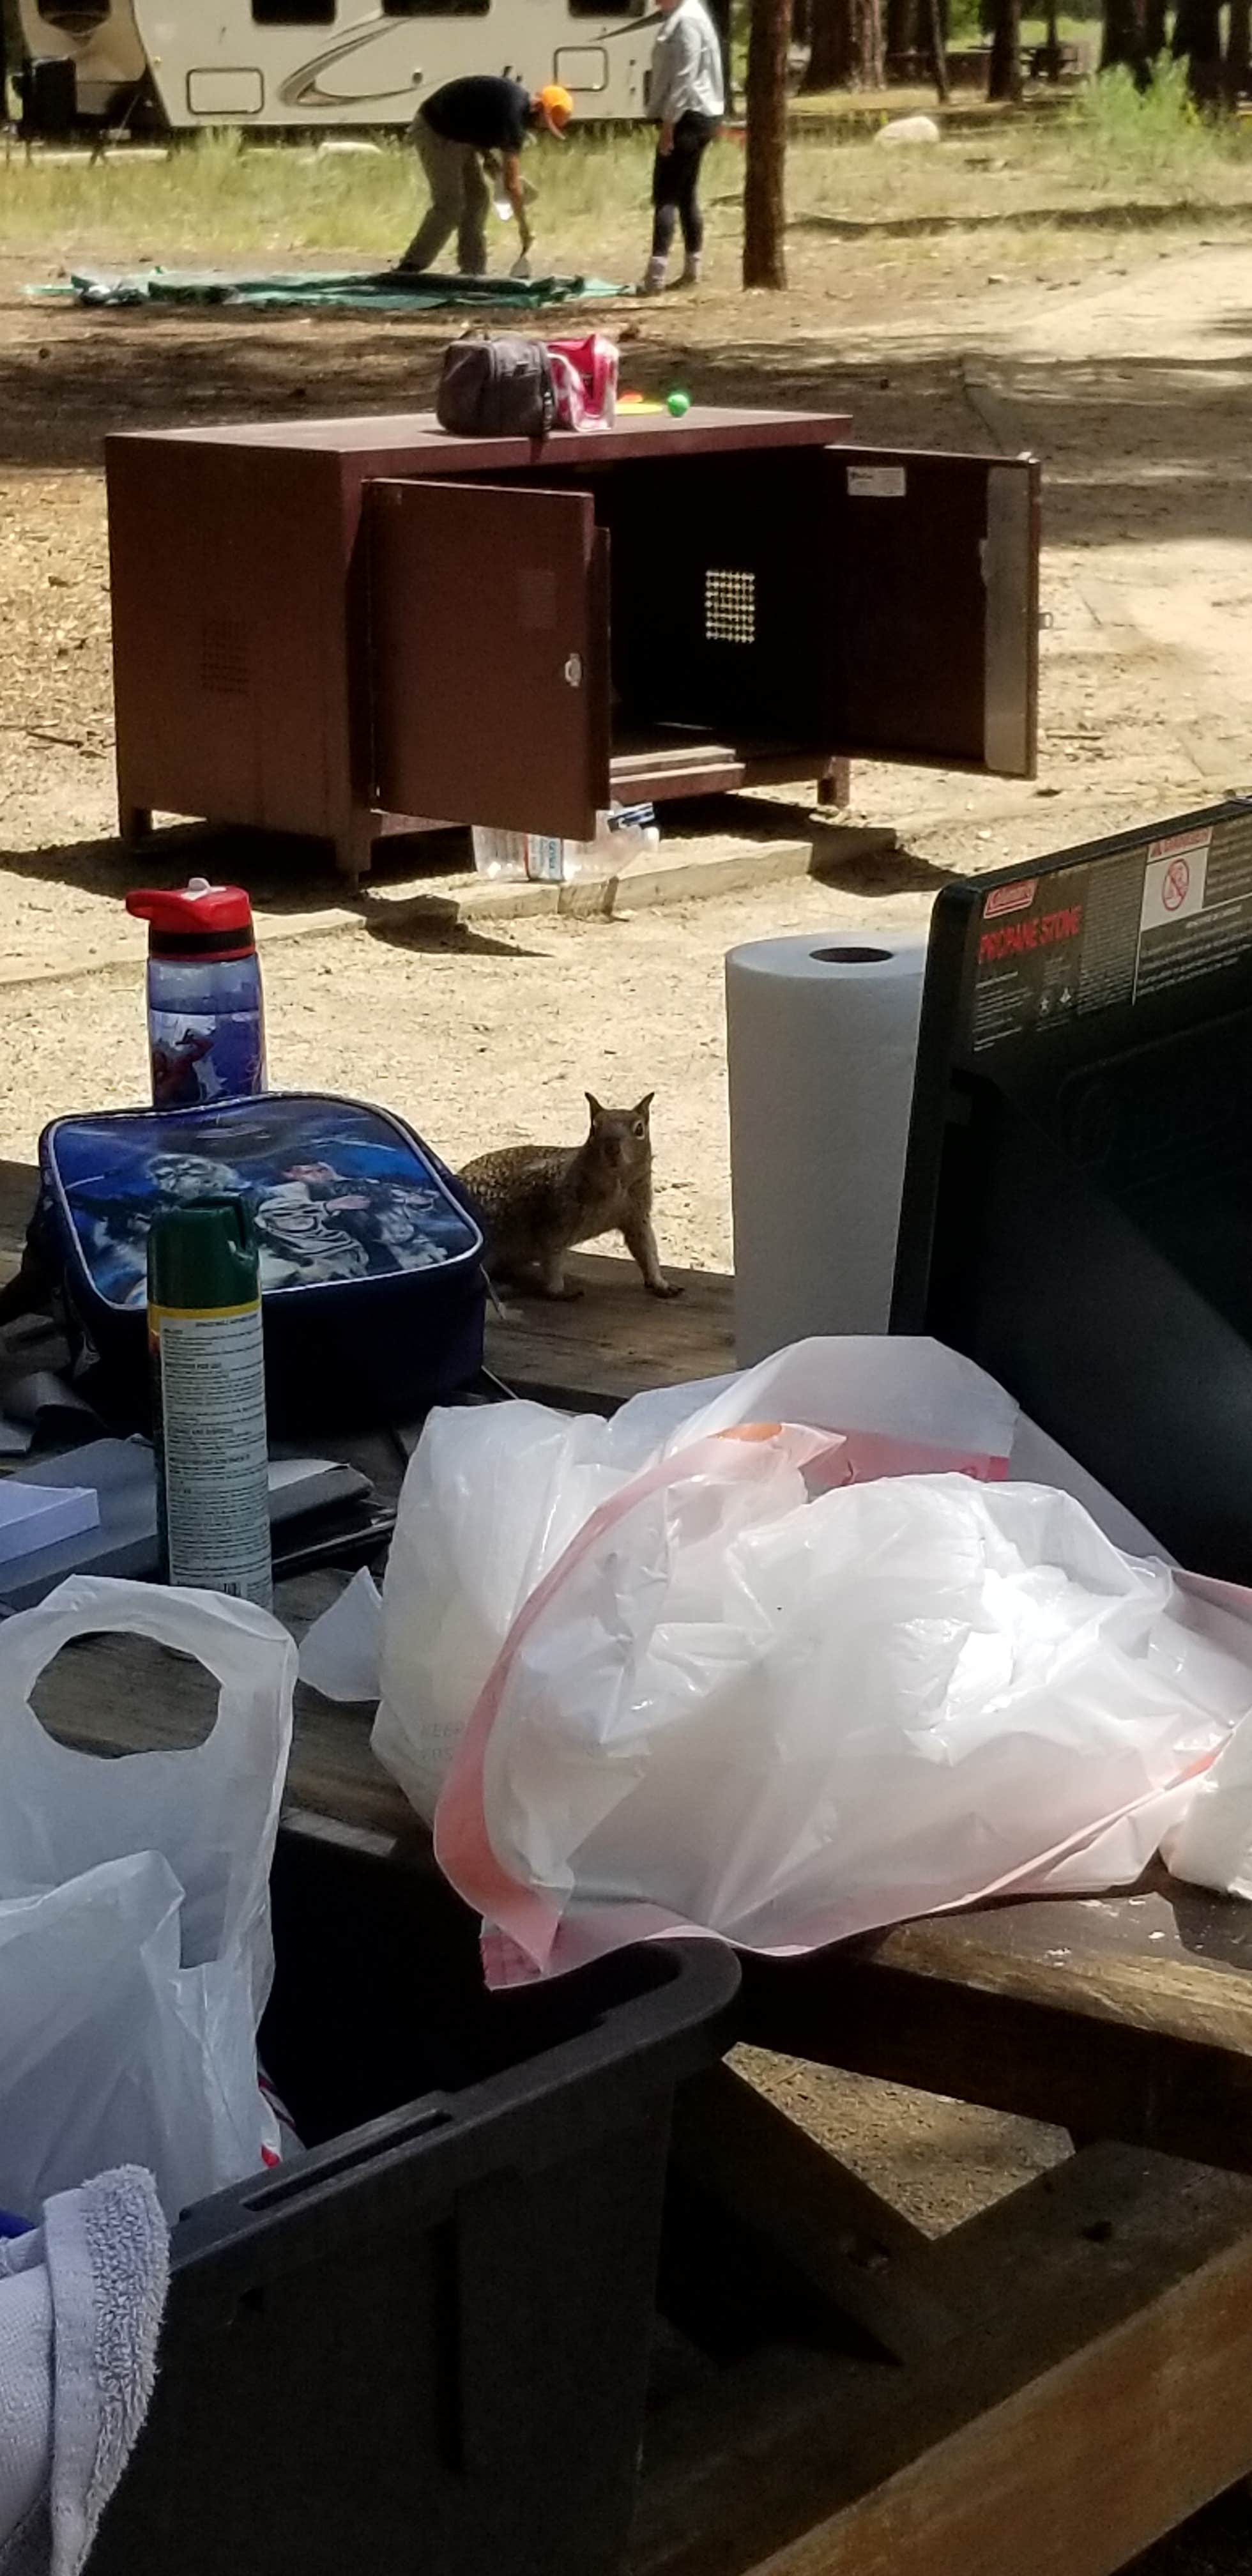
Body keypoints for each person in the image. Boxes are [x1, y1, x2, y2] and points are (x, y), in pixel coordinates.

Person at [399, 76, 572, 277]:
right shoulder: (514, 117)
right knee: (450, 204)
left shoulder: (515, 106)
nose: (543, 128)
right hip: (436, 130)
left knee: (478, 199)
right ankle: (411, 267)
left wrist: (488, 158)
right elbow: (513, 186)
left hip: (458, 134)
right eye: (546, 123)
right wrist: (524, 229)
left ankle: (473, 270)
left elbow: (476, 120)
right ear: (539, 108)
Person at [641, 0, 724, 295]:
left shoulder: (687, 20)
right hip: (696, 114)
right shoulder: (686, 14)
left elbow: (684, 78)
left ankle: (655, 276)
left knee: (665, 194)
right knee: (687, 193)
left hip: (689, 116)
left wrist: (669, 124)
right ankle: (693, 268)